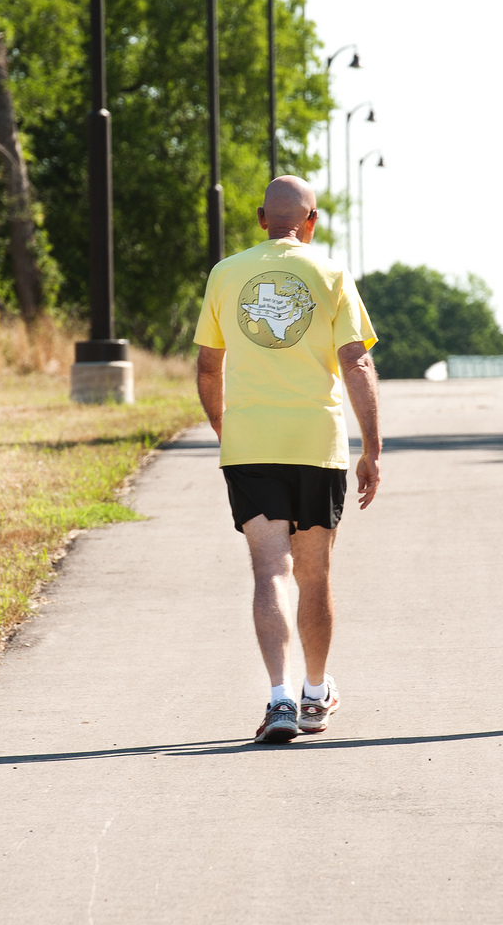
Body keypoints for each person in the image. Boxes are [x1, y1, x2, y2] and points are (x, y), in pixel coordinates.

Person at [195, 176, 382, 744]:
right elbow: (356, 364)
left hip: (251, 446)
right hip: (315, 445)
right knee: (314, 573)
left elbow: (208, 368)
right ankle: (315, 693)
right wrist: (372, 447)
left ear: (260, 219)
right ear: (312, 220)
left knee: (268, 570)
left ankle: (278, 699)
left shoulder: (225, 274)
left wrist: (228, 429)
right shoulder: (330, 274)